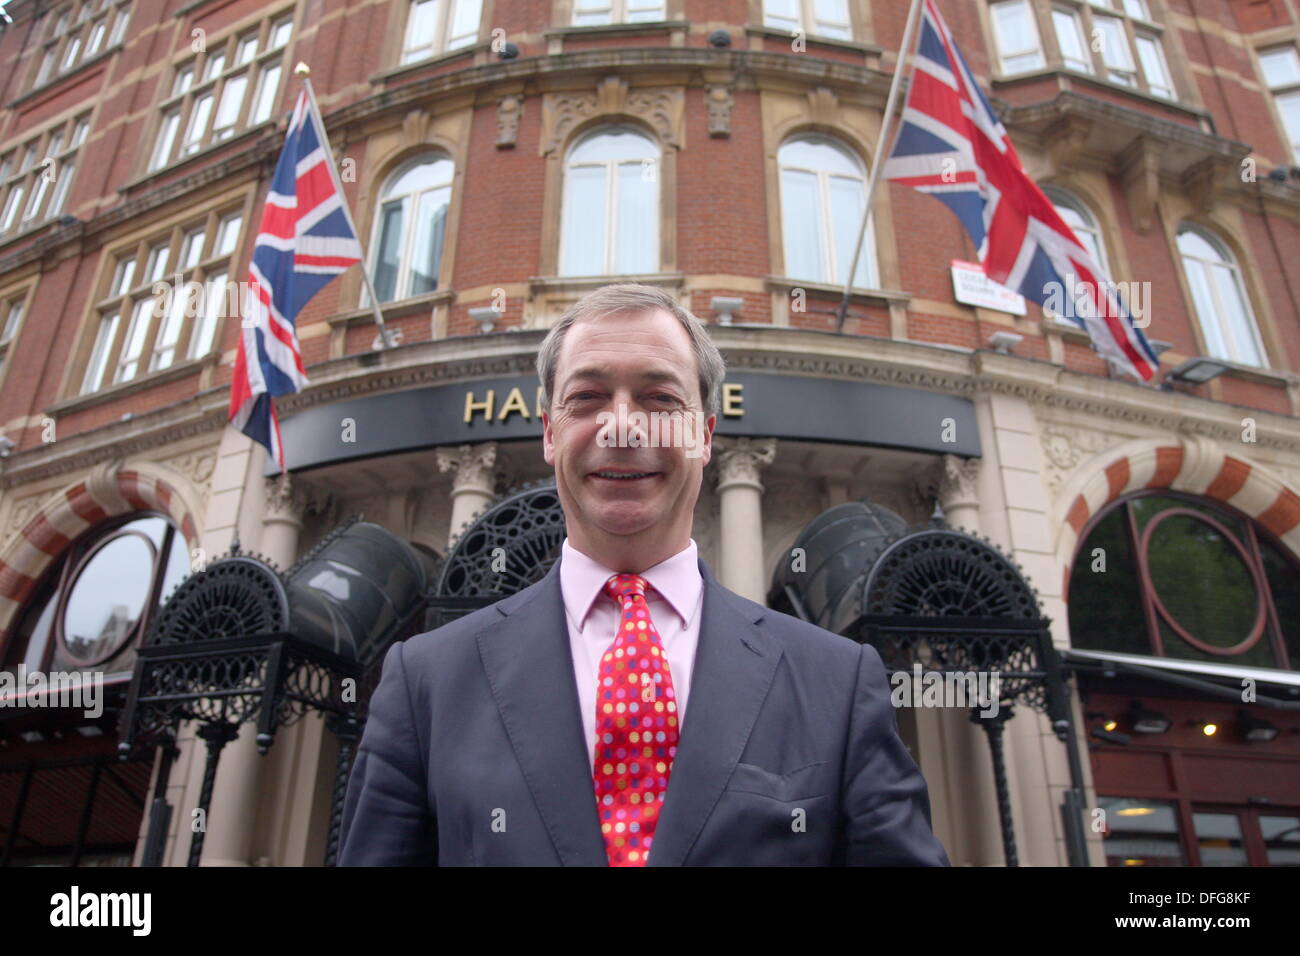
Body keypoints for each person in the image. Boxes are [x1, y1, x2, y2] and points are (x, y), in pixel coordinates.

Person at [338, 283, 950, 866]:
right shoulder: (425, 684)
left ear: (705, 436)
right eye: (587, 399)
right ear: (550, 434)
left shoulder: (838, 683)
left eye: (660, 400)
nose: (624, 426)